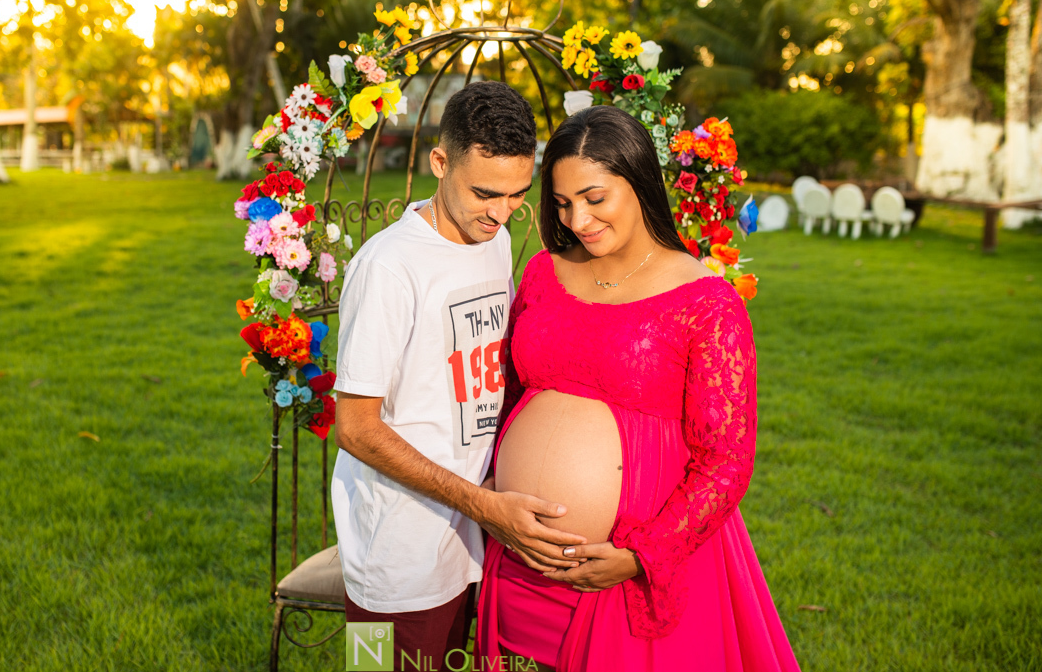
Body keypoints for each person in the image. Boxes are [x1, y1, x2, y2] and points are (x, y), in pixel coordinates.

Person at [477, 105, 801, 672]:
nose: (578, 219)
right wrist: (489, 491)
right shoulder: (543, 274)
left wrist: (638, 556)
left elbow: (725, 463)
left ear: (639, 180)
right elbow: (508, 396)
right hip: (516, 557)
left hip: (625, 577)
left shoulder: (706, 302)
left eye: (594, 198)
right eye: (562, 203)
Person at [332, 81, 588, 671]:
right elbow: (356, 429)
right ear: (440, 162)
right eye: (484, 193)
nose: (501, 213)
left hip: (470, 541)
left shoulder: (491, 243)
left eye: (517, 194)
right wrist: (482, 504)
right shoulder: (388, 268)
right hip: (396, 556)